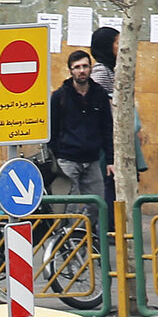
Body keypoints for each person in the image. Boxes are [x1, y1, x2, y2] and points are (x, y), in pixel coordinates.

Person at [48, 50, 113, 233]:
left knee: (97, 205)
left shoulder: (99, 94)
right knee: (68, 208)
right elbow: (52, 130)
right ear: (70, 71)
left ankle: (84, 240)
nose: (81, 71)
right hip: (67, 160)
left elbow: (107, 127)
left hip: (92, 160)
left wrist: (110, 160)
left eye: (85, 66)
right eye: (77, 67)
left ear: (91, 68)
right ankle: (67, 246)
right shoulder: (60, 96)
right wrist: (56, 156)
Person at [89, 26, 147, 210]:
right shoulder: (101, 72)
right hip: (110, 142)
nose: (121, 46)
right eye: (116, 42)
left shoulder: (117, 70)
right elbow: (99, 106)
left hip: (120, 138)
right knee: (111, 186)